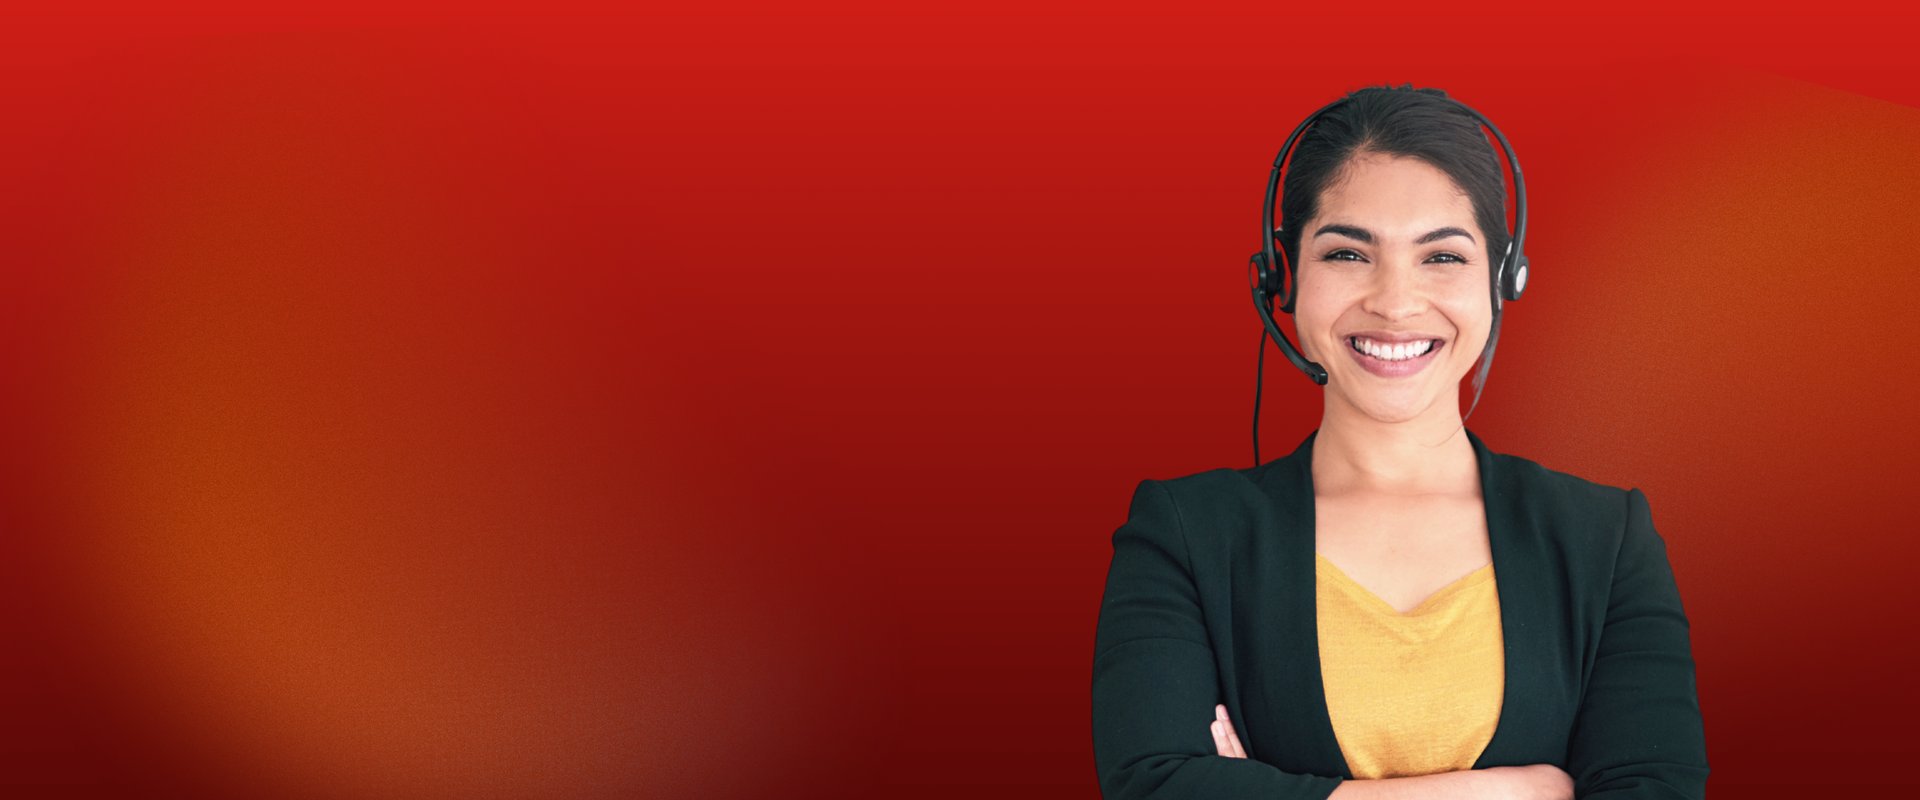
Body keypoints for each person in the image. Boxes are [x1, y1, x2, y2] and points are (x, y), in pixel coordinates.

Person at [1089, 85, 1707, 800]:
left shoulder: (1604, 539)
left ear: (1503, 280)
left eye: (1441, 257)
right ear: (1282, 279)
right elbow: (1154, 787)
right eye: (1348, 253)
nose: (1394, 301)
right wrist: (1520, 791)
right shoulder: (1185, 533)